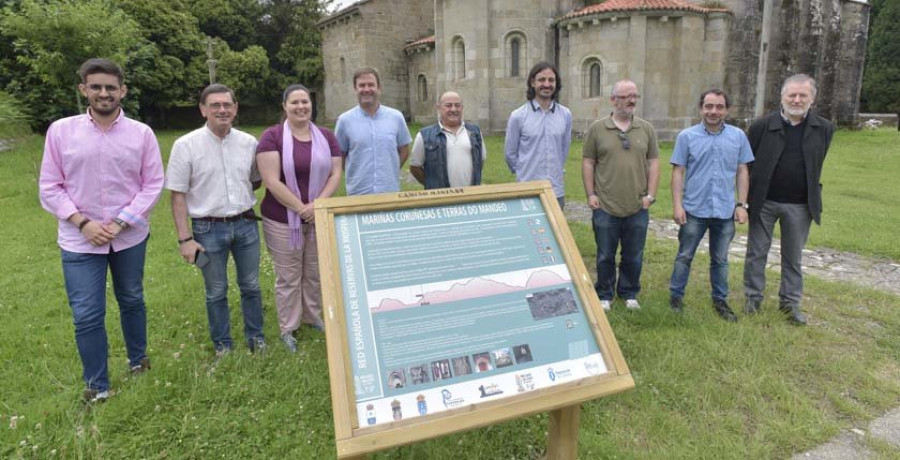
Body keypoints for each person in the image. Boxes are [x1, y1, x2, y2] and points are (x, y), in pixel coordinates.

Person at [39, 58, 164, 402]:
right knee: (87, 314)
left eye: (111, 87)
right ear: (84, 90)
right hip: (79, 240)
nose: (104, 93)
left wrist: (122, 221)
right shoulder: (61, 131)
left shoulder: (141, 134)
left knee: (132, 299)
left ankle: (138, 360)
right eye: (96, 87)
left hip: (129, 237)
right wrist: (83, 223)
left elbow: (153, 183)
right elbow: (50, 186)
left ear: (122, 90)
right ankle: (98, 385)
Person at [165, 84, 266, 356]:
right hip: (206, 230)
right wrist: (185, 239)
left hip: (245, 225)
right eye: (215, 105)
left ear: (235, 109)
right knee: (216, 290)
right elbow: (177, 196)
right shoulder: (185, 145)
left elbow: (254, 181)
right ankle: (223, 345)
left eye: (227, 105)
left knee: (252, 285)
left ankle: (256, 339)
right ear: (203, 110)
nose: (222, 110)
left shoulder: (249, 143)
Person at [257, 84, 343, 352]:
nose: (301, 107)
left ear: (311, 104)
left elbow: (336, 174)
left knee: (314, 272)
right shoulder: (272, 137)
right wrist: (301, 208)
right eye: (294, 102)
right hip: (282, 218)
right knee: (289, 276)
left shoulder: (327, 137)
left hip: (318, 215)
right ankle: (288, 327)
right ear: (285, 106)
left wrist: (317, 206)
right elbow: (271, 181)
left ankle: (312, 317)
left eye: (305, 101)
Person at [743, 74, 834, 325]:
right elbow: (749, 163)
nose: (796, 99)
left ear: (812, 99)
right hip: (764, 202)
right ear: (781, 97)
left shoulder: (824, 128)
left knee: (793, 257)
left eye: (802, 95)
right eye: (791, 95)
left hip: (800, 205)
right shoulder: (761, 126)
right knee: (756, 253)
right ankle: (753, 298)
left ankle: (790, 303)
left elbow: (817, 162)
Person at [668, 89, 753, 321]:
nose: (713, 111)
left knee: (720, 259)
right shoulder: (686, 136)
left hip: (724, 211)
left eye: (719, 107)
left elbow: (742, 170)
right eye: (708, 106)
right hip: (694, 209)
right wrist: (677, 205)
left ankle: (720, 300)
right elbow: (678, 172)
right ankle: (675, 296)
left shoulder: (738, 136)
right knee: (685, 255)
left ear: (727, 110)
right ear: (701, 108)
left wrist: (741, 205)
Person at [581, 79, 660, 310]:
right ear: (613, 100)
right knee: (605, 254)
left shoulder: (646, 129)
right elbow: (588, 162)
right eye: (627, 96)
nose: (632, 100)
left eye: (635, 96)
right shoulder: (598, 129)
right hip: (605, 205)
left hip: (637, 205)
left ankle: (629, 293)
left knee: (633, 254)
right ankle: (604, 293)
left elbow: (654, 162)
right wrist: (590, 194)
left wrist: (651, 195)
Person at [504, 61, 572, 209]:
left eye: (551, 80)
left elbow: (563, 150)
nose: (546, 84)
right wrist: (525, 172)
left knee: (556, 232)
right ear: (533, 82)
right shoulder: (518, 116)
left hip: (556, 190)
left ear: (556, 84)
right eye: (542, 80)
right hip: (527, 190)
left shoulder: (565, 115)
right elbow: (510, 154)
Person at [335, 67, 411, 195]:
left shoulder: (396, 117)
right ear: (355, 89)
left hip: (389, 191)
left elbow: (404, 149)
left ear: (379, 88)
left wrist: (390, 169)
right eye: (362, 85)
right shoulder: (344, 121)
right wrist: (355, 172)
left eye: (371, 85)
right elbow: (339, 155)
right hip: (358, 193)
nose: (366, 89)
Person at [409, 91, 486, 189]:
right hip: (441, 200)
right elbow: (415, 167)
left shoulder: (475, 132)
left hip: (470, 197)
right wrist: (431, 184)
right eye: (448, 105)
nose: (453, 109)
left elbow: (480, 161)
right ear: (438, 108)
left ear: (462, 108)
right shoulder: (424, 135)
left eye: (457, 105)